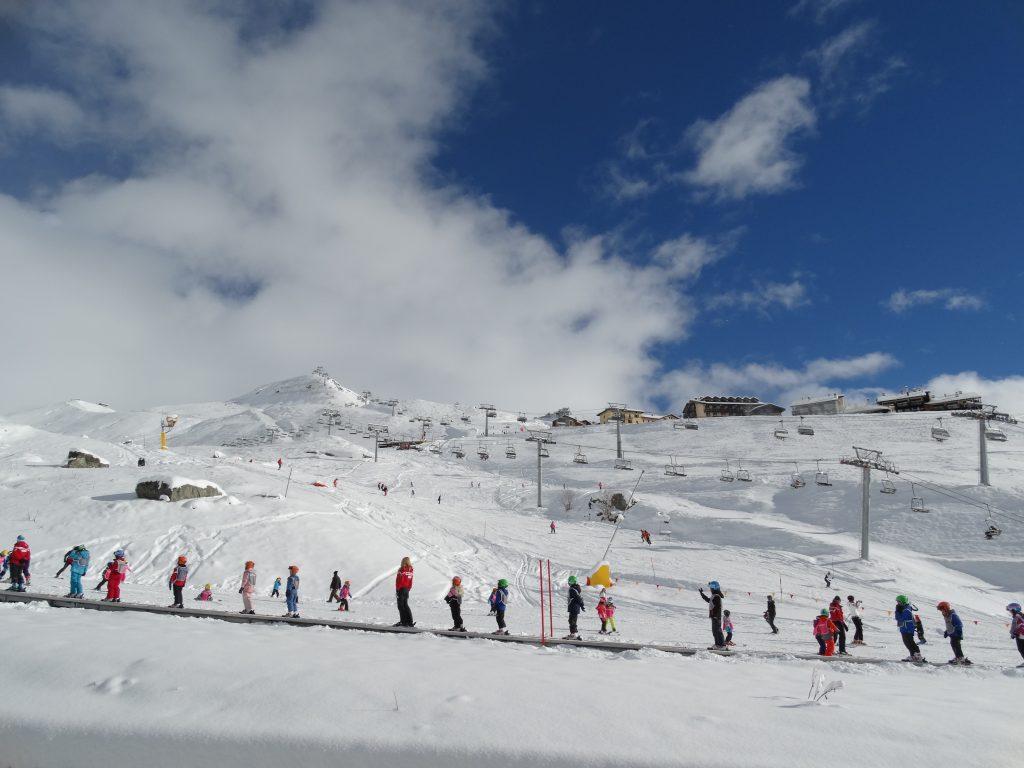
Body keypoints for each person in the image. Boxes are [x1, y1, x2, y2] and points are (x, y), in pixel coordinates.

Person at [895, 595, 923, 662]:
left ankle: (917, 656)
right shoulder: (904, 608)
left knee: (909, 642)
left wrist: (897, 611)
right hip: (905, 628)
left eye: (899, 602)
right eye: (897, 602)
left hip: (907, 629)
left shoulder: (907, 609)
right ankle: (913, 655)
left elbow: (900, 618)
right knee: (907, 643)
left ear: (903, 602)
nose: (898, 604)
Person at [699, 580, 726, 650]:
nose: (710, 589)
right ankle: (717, 645)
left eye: (711, 588)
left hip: (716, 617)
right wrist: (701, 594)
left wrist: (715, 615)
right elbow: (708, 600)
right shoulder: (714, 596)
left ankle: (722, 645)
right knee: (715, 631)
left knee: (718, 631)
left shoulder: (717, 596)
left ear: (715, 588)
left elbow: (718, 607)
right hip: (714, 617)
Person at [394, 556, 414, 627]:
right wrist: (408, 588)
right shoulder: (410, 570)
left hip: (401, 589)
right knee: (405, 605)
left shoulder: (402, 570)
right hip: (407, 589)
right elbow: (411, 581)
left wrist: (397, 589)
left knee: (400, 606)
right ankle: (410, 622)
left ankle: (403, 622)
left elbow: (399, 581)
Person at [564, 574, 584, 640]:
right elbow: (579, 598)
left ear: (573, 582)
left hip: (573, 607)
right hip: (575, 607)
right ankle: (574, 633)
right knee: (573, 620)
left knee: (571, 620)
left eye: (570, 582)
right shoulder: (576, 589)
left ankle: (573, 634)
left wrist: (582, 605)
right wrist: (581, 605)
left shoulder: (572, 589)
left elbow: (578, 598)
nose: (569, 583)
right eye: (569, 582)